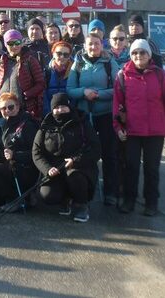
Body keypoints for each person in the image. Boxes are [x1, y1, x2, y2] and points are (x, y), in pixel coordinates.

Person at [114, 40, 165, 216]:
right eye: (135, 53)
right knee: (131, 167)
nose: (138, 56)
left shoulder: (159, 75)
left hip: (155, 131)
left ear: (149, 55)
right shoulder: (122, 76)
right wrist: (118, 127)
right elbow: (117, 104)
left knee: (151, 168)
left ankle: (151, 203)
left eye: (142, 52)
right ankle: (129, 200)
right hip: (132, 131)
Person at [66, 34, 121, 206]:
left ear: (101, 45)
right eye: (90, 44)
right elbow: (70, 89)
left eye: (96, 44)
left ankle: (110, 192)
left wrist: (98, 95)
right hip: (84, 116)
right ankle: (86, 190)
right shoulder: (79, 62)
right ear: (85, 45)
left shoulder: (109, 62)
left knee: (108, 154)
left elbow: (118, 88)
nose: (93, 47)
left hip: (105, 114)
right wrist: (84, 92)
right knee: (85, 155)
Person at [33, 93, 101, 223]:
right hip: (55, 170)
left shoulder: (82, 122)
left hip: (79, 168)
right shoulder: (45, 125)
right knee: (47, 195)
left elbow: (96, 149)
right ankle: (65, 199)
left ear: (69, 106)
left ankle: (81, 205)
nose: (60, 110)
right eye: (56, 107)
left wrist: (75, 161)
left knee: (74, 176)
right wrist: (47, 169)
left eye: (63, 106)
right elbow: (36, 152)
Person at [0, 92, 39, 208]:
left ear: (17, 106)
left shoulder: (28, 125)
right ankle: (15, 196)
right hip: (6, 166)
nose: (7, 110)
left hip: (24, 168)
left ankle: (17, 198)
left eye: (10, 107)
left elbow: (36, 153)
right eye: (3, 108)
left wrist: (15, 155)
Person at [0, 30, 46, 120]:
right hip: (5, 109)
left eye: (17, 42)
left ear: (21, 43)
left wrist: (26, 95)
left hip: (25, 108)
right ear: (5, 45)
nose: (14, 46)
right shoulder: (1, 62)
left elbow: (41, 83)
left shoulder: (30, 60)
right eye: (10, 43)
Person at [44, 41, 73, 112]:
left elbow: (75, 98)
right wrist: (48, 115)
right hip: (51, 113)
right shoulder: (46, 72)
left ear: (69, 56)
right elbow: (44, 97)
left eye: (66, 54)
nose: (62, 57)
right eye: (59, 53)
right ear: (53, 54)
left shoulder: (74, 73)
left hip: (69, 113)